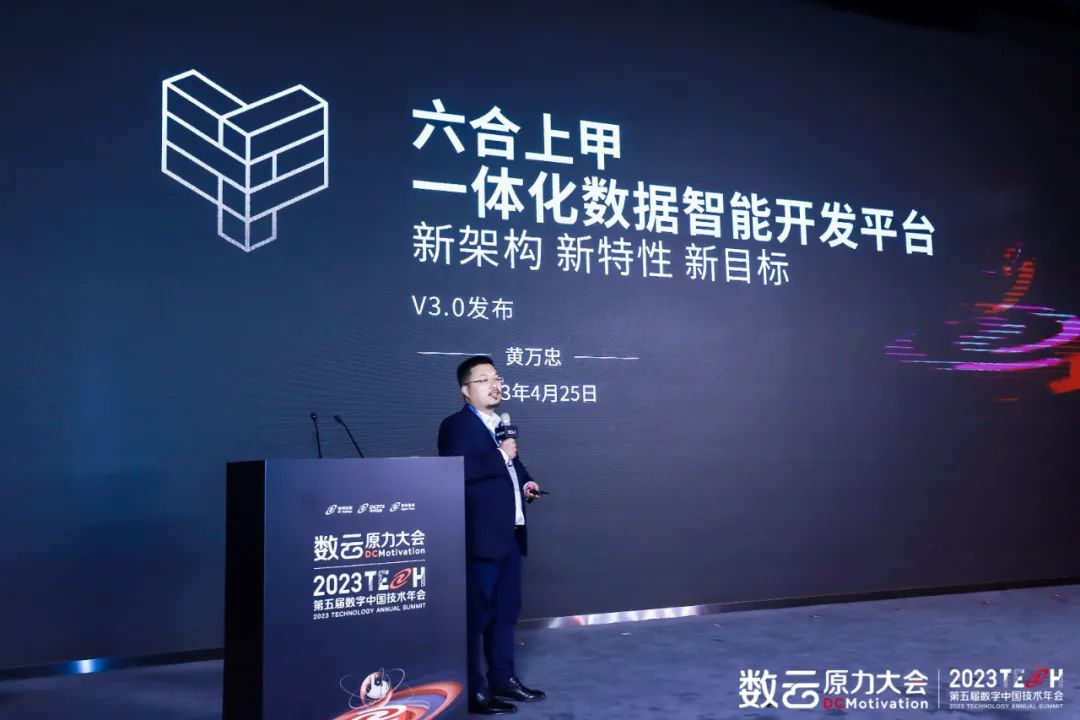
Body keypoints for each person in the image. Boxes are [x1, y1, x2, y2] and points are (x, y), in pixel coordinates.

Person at [437, 355, 546, 715]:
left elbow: (513, 468)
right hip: (481, 540)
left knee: (505, 613)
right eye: (484, 379)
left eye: (497, 378)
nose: (494, 385)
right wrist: (500, 455)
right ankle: (473, 691)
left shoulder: (500, 425)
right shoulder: (456, 425)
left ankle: (503, 679)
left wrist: (526, 482)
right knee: (476, 618)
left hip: (509, 536)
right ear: (465, 391)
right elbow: (455, 469)